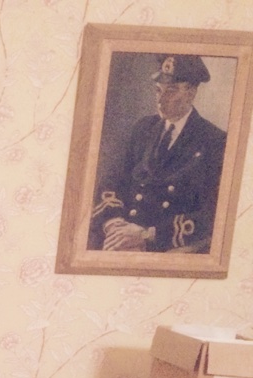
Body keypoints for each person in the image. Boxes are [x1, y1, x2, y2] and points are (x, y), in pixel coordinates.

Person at [90, 54, 227, 253]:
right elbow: (111, 181)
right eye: (158, 90)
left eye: (171, 91)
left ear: (191, 93)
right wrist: (114, 224)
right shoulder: (143, 128)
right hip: (120, 236)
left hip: (166, 247)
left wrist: (148, 235)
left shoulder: (214, 141)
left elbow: (213, 215)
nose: (161, 100)